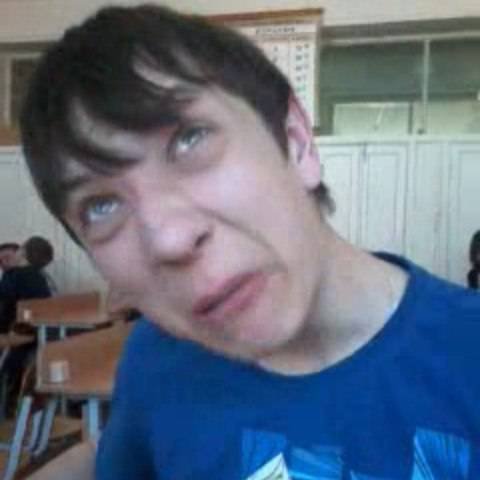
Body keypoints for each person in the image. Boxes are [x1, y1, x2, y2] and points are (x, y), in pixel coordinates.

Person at [19, 5, 480, 479]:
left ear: (296, 142)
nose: (170, 239)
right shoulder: (154, 363)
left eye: (190, 139)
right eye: (100, 206)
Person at [0, 236, 53, 332]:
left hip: (19, 328)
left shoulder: (12, 275)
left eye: (7, 258)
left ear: (23, 252)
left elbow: (6, 305)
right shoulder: (40, 278)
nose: (3, 263)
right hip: (40, 329)